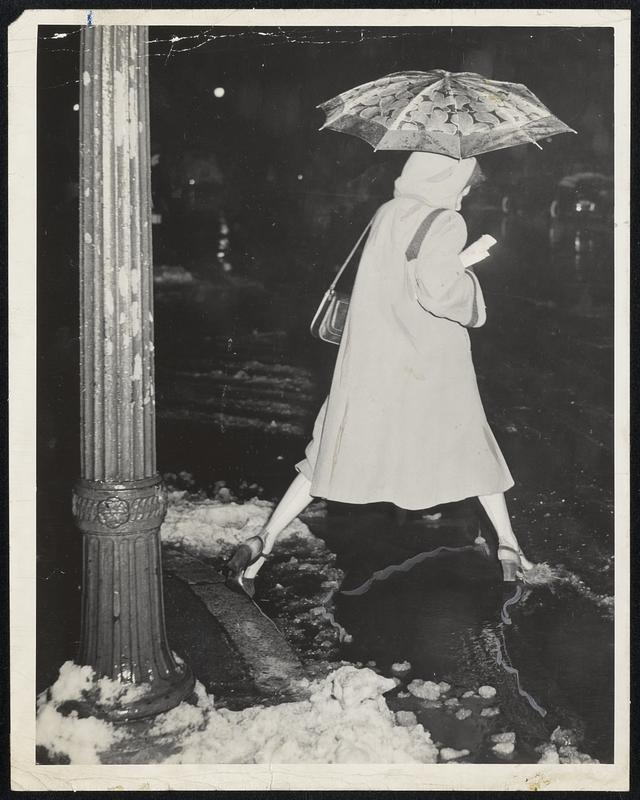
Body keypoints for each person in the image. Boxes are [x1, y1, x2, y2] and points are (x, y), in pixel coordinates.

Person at [226, 151, 533, 597]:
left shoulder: (388, 211)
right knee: (470, 448)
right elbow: (439, 291)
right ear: (451, 180)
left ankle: (262, 542)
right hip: (425, 363)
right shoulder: (446, 221)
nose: (465, 197)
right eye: (465, 187)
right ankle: (508, 547)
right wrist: (465, 274)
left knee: (328, 455)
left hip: (370, 360)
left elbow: (394, 276)